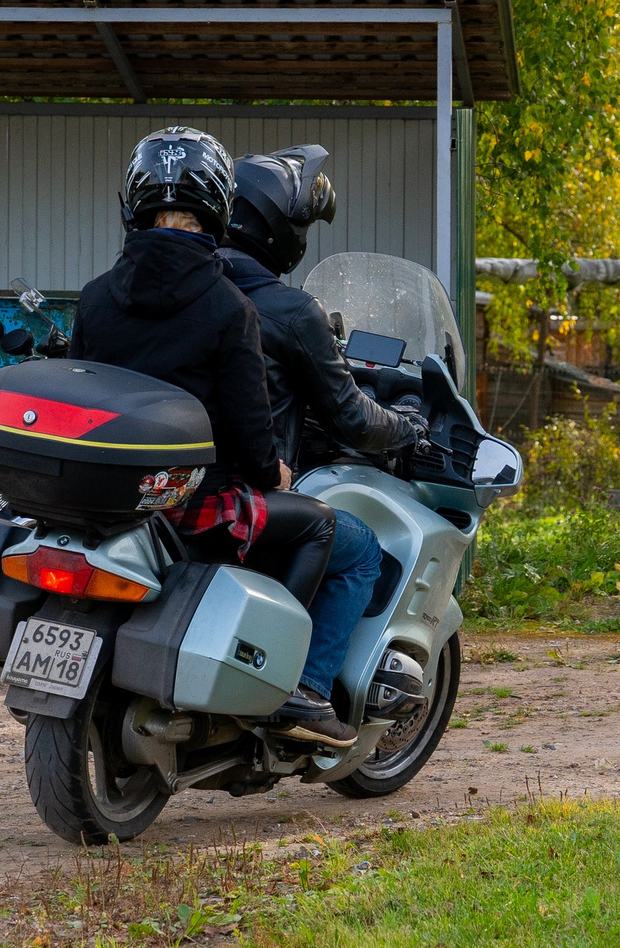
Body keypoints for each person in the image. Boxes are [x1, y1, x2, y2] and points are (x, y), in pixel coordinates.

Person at [69, 127, 352, 749]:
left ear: (133, 203)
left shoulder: (94, 298)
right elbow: (251, 427)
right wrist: (274, 473)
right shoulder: (229, 308)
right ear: (218, 207)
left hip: (109, 502)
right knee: (321, 526)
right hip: (194, 504)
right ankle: (285, 684)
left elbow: (82, 396)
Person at [219, 145, 421, 716]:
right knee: (360, 549)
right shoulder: (287, 309)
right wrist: (406, 428)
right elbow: (352, 416)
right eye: (302, 224)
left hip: (173, 484)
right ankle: (306, 688)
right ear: (277, 226)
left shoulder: (195, 291)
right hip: (244, 490)